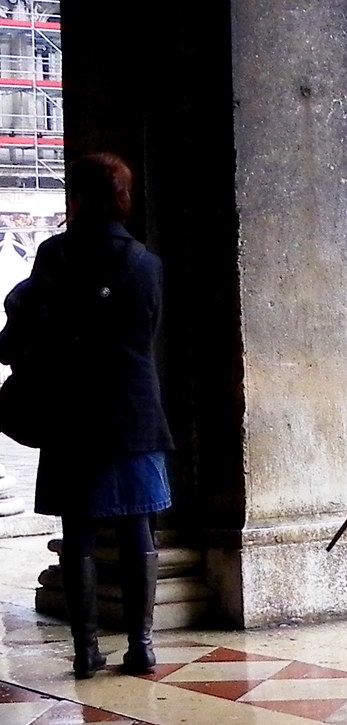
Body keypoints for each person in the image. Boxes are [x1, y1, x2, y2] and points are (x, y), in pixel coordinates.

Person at [0, 153, 173, 679]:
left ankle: (85, 649)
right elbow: (150, 334)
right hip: (131, 410)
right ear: (124, 198)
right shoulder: (147, 263)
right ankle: (141, 645)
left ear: (73, 198)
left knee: (77, 531)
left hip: (69, 409)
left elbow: (26, 324)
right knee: (137, 527)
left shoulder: (53, 256)